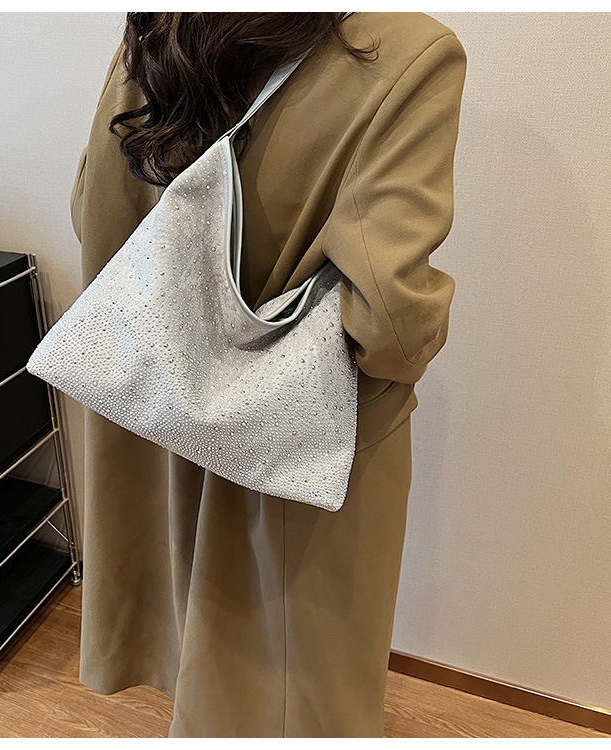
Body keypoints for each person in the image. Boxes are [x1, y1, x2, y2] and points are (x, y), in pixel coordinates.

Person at [68, 11, 467, 738]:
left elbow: (91, 209)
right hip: (291, 461)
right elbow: (391, 325)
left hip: (150, 417)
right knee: (286, 696)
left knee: (199, 661)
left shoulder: (161, 33)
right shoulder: (407, 54)